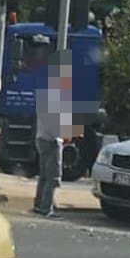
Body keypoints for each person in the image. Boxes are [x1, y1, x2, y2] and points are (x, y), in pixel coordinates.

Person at [34, 54, 80, 217]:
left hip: (42, 137)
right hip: (52, 140)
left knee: (43, 176)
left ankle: (39, 204)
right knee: (53, 177)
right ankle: (46, 208)